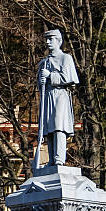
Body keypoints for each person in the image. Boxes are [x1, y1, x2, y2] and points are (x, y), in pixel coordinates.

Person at [38, 29, 79, 166]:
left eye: (51, 39)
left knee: (58, 126)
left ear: (59, 41)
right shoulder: (44, 62)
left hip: (60, 95)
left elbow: (69, 78)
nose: (48, 42)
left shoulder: (65, 58)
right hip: (48, 95)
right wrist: (41, 79)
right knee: (49, 128)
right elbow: (40, 84)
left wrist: (50, 76)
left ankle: (59, 159)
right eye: (47, 39)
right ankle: (51, 160)